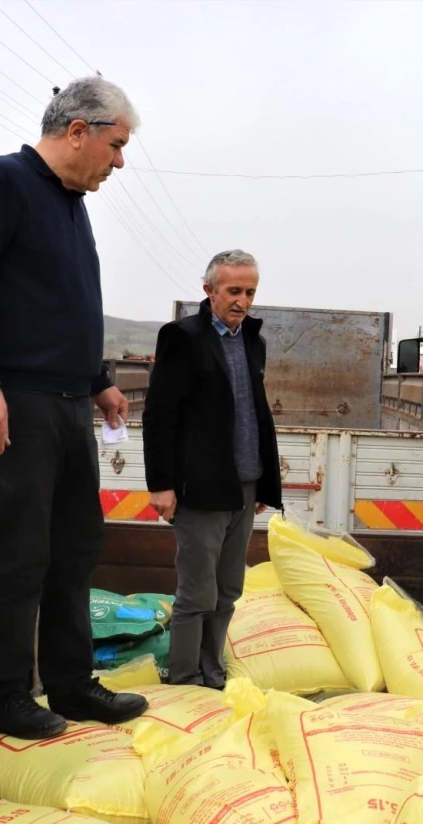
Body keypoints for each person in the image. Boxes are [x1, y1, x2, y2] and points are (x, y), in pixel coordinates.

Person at [0, 77, 148, 739]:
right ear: (78, 129)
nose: (118, 162)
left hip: (66, 405)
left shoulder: (69, 203)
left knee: (76, 548)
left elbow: (63, 301)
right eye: (114, 146)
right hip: (17, 402)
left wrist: (97, 379)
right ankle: (4, 696)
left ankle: (70, 684)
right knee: (21, 554)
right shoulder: (0, 183)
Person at [141, 250, 283, 689]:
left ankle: (213, 673)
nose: (243, 301)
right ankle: (184, 680)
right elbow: (159, 414)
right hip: (200, 487)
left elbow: (255, 414)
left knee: (228, 591)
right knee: (196, 594)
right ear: (209, 291)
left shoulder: (252, 341)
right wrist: (162, 484)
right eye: (234, 291)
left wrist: (262, 480)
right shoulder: (183, 337)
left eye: (250, 292)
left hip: (243, 484)